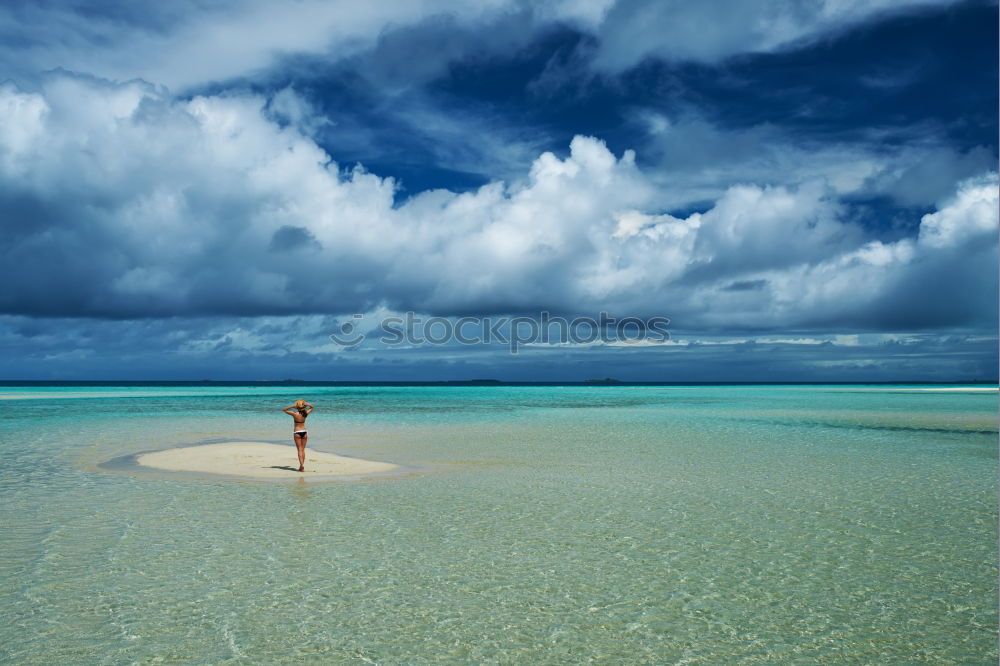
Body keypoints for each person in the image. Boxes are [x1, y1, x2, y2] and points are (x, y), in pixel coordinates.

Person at [282, 399, 314, 472]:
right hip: (304, 432)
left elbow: (284, 410)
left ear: (297, 407)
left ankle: (301, 465)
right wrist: (307, 404)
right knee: (303, 450)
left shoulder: (294, 414)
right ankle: (302, 465)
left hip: (297, 432)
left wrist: (293, 406)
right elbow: (312, 407)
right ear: (303, 407)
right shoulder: (305, 413)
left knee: (299, 450)